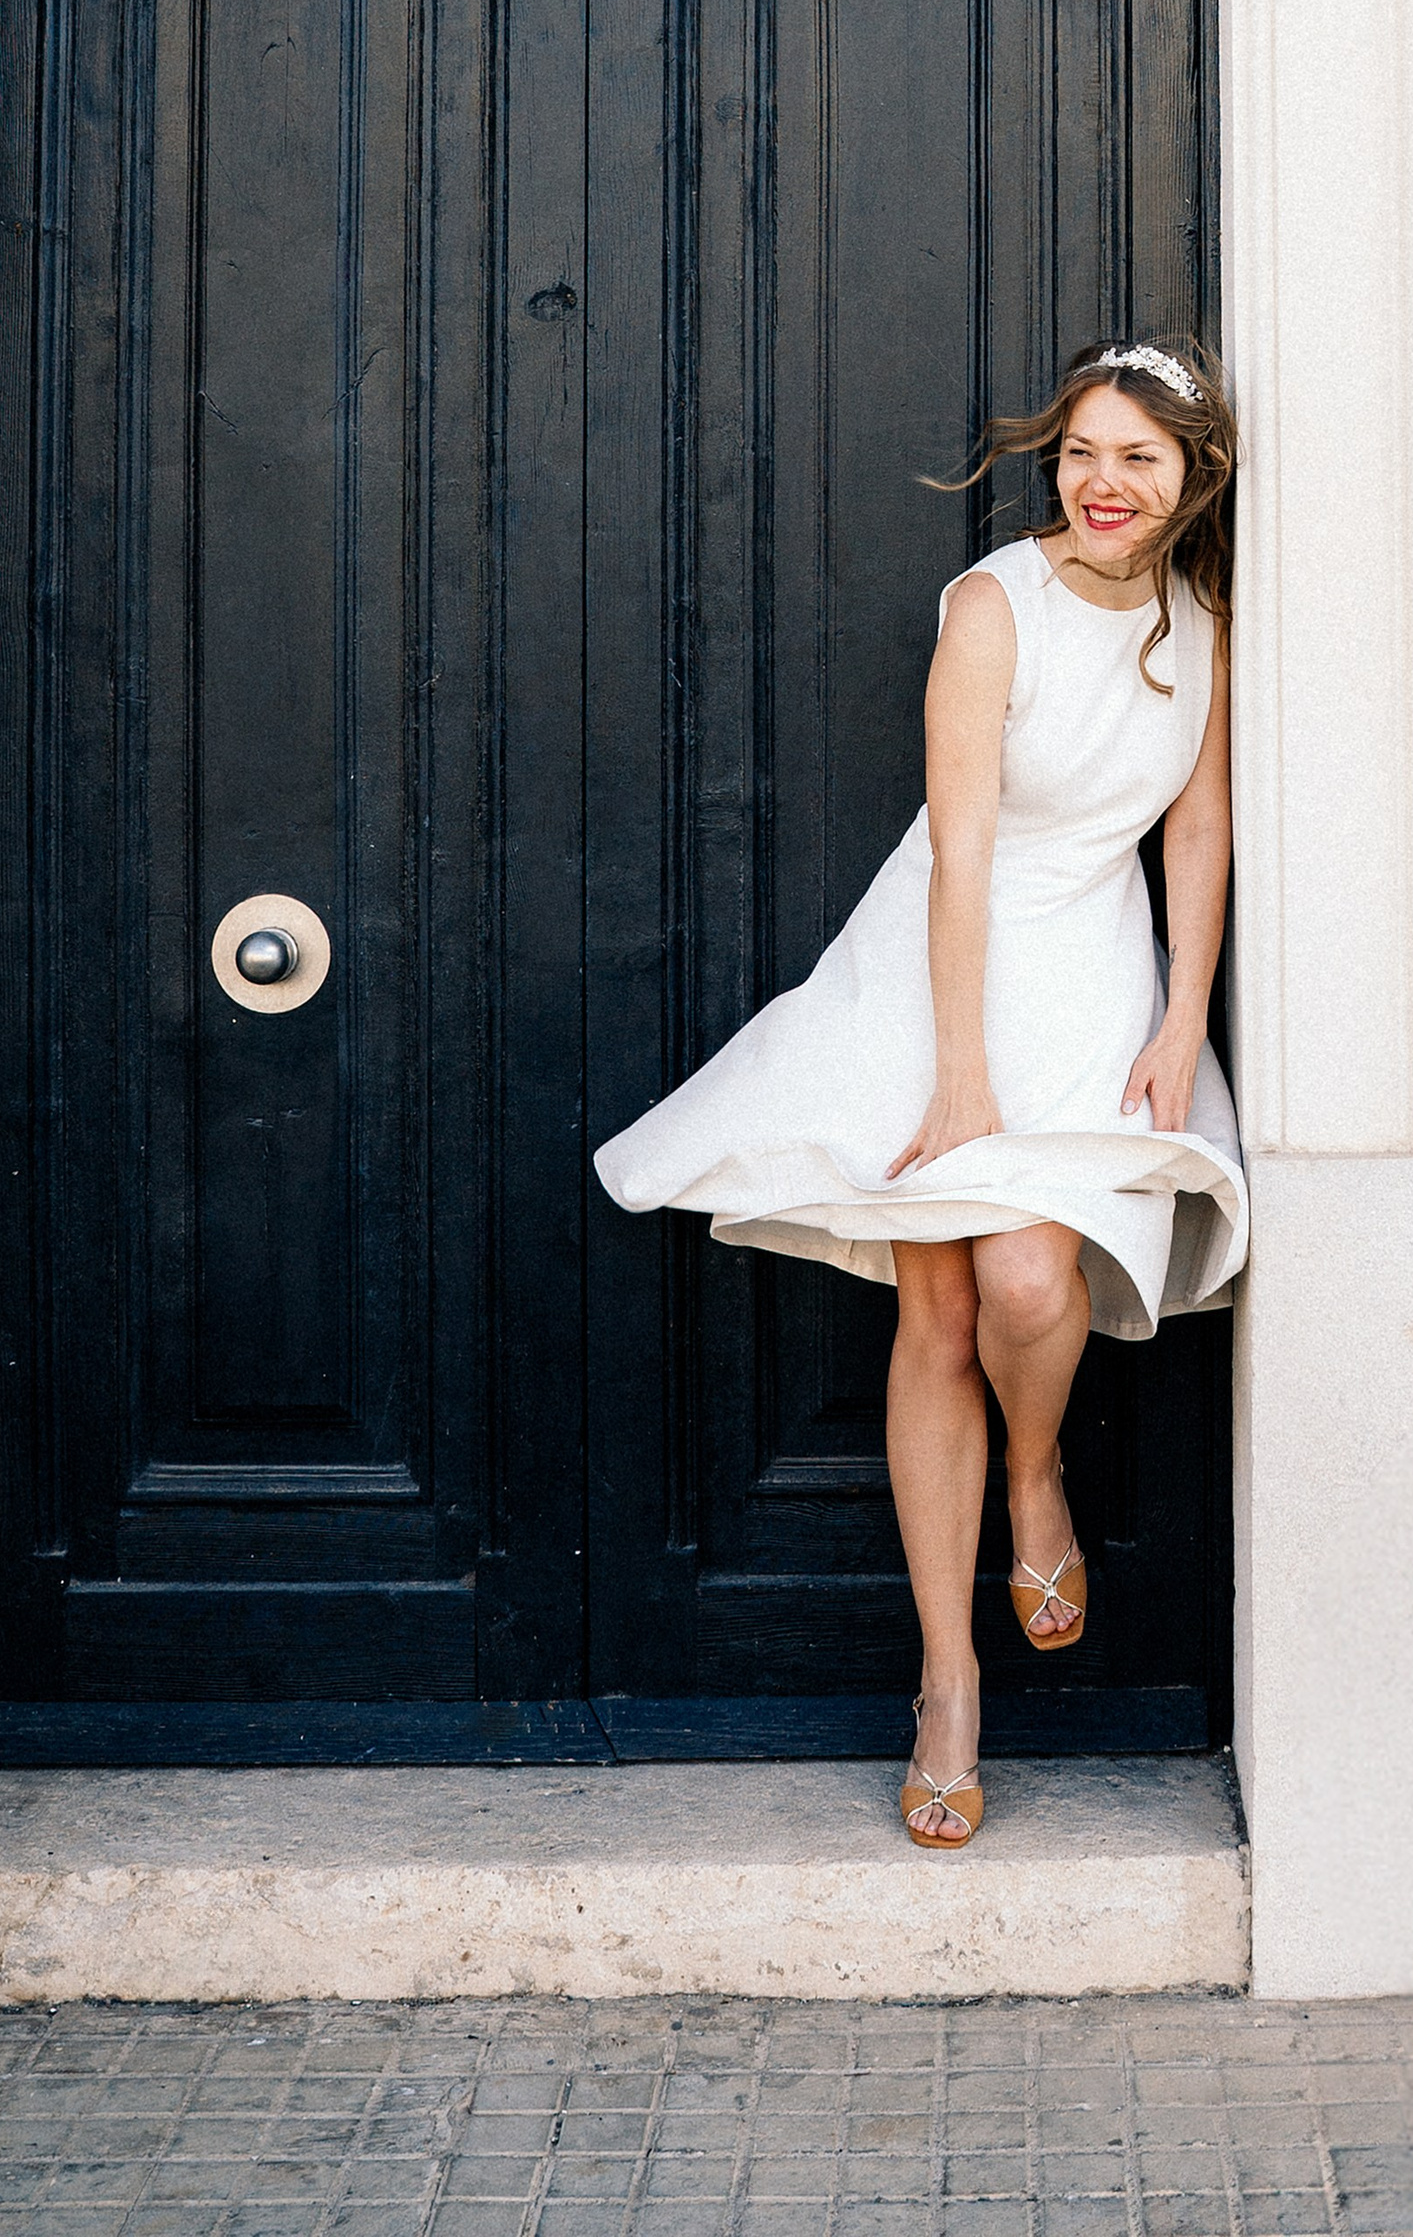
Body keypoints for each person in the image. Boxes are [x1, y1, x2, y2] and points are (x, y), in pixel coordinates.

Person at [593, 337, 1248, 1847]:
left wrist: (1184, 1019)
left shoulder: (1203, 615)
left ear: (1190, 478)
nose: (1102, 480)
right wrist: (956, 1064)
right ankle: (949, 1679)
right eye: (1083, 449)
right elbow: (961, 849)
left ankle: (1035, 1471)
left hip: (1096, 964)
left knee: (1034, 1280)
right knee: (938, 1308)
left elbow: (1197, 833)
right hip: (948, 956)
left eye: (1138, 457)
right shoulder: (989, 606)